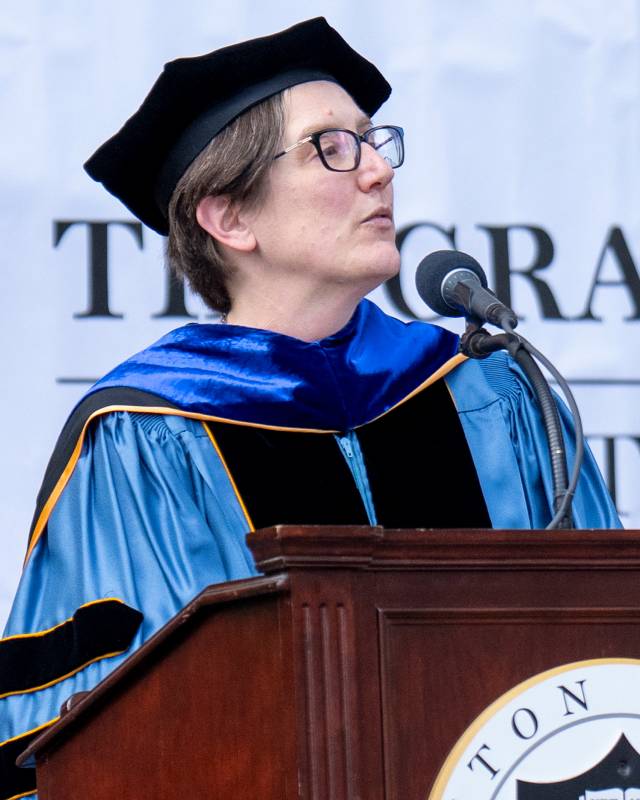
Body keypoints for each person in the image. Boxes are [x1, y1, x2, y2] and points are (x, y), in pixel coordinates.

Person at [0, 17, 620, 800]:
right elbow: (81, 732)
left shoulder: (490, 389)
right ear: (230, 218)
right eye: (332, 148)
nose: (377, 173)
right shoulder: (144, 436)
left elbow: (601, 653)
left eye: (372, 140)